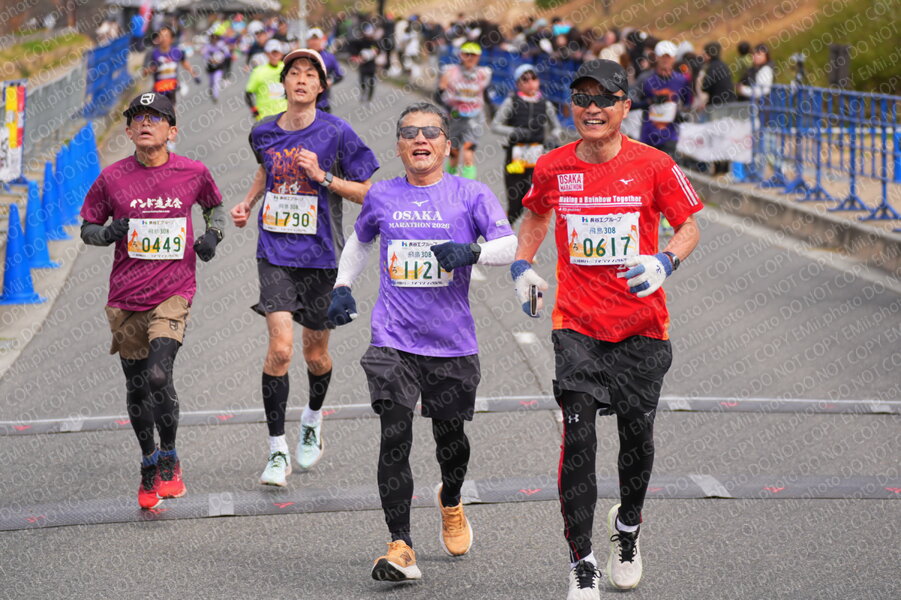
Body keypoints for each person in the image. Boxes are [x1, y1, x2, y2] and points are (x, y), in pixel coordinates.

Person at [509, 60, 702, 598]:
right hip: (577, 326)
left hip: (642, 326)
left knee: (637, 439)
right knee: (579, 440)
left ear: (624, 107)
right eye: (582, 98)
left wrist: (665, 260)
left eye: (604, 99)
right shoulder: (552, 166)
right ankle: (582, 560)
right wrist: (522, 264)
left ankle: (628, 527)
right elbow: (537, 215)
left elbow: (688, 225)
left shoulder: (655, 164)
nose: (591, 108)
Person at [326, 102, 517, 582]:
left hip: (451, 343)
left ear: (446, 145)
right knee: (395, 434)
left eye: (430, 132)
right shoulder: (382, 195)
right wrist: (343, 286)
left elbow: (509, 245)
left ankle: (450, 499)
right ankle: (401, 545)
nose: (420, 139)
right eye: (409, 132)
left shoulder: (470, 194)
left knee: (451, 442)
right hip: (392, 339)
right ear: (399, 146)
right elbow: (361, 241)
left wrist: (472, 251)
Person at [230, 48, 379, 487]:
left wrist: (323, 177)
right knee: (281, 350)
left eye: (309, 74)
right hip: (275, 253)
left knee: (316, 356)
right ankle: (277, 450)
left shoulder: (337, 132)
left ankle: (312, 418)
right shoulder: (262, 131)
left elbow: (367, 192)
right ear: (283, 83)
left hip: (322, 257)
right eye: (293, 73)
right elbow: (266, 170)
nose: (300, 79)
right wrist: (248, 202)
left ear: (321, 86)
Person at [80, 92, 226, 510]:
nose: (146, 123)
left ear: (172, 130)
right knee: (138, 385)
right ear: (128, 131)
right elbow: (88, 228)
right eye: (138, 118)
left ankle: (169, 456)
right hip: (126, 297)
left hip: (173, 293)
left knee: (159, 375)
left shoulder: (193, 172)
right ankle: (147, 461)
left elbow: (214, 207)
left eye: (155, 117)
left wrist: (213, 236)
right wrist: (108, 233)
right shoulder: (112, 178)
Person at [490, 63, 563, 225]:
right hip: (516, 156)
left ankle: (527, 237)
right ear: (518, 83)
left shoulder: (545, 104)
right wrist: (515, 131)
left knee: (533, 201)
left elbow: (557, 128)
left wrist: (553, 138)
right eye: (525, 79)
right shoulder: (511, 102)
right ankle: (504, 232)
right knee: (515, 204)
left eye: (533, 78)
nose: (530, 82)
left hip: (537, 157)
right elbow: (495, 125)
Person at [439, 42, 492, 179]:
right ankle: (451, 181)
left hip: (474, 117)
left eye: (474, 55)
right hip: (454, 116)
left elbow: (485, 94)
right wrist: (449, 108)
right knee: (454, 152)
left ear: (478, 57)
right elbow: (439, 94)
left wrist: (491, 112)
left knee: (468, 151)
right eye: (467, 54)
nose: (470, 58)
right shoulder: (450, 71)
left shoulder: (483, 73)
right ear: (461, 55)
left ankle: (469, 185)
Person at [637, 40, 693, 159]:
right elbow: (630, 103)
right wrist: (650, 102)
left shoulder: (681, 80)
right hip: (648, 134)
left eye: (669, 57)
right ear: (656, 57)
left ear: (674, 58)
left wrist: (680, 114)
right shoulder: (645, 79)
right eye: (662, 57)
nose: (665, 60)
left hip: (670, 135)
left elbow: (688, 103)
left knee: (666, 167)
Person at [143, 26, 200, 105]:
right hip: (159, 90)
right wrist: (154, 68)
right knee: (161, 111)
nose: (164, 39)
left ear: (171, 39)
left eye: (166, 36)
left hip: (172, 88)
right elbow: (144, 72)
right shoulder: (152, 53)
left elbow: (184, 63)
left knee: (172, 110)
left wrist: (194, 74)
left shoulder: (176, 51)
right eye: (161, 36)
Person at [245, 39, 287, 120]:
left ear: (281, 54)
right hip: (265, 117)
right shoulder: (258, 71)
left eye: (277, 53)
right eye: (272, 53)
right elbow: (248, 94)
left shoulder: (286, 68)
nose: (275, 56)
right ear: (267, 54)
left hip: (285, 116)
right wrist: (254, 111)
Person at [348, 23, 380, 105]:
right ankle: (363, 93)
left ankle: (369, 99)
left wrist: (375, 52)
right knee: (362, 81)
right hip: (363, 65)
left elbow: (378, 50)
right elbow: (353, 49)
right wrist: (357, 57)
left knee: (372, 82)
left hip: (371, 65)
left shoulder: (374, 42)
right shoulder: (361, 41)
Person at [202, 32, 230, 103]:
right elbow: (205, 55)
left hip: (219, 67)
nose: (214, 40)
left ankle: (215, 96)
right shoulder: (208, 46)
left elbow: (227, 54)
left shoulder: (221, 45)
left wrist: (221, 59)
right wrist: (210, 59)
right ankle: (211, 89)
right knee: (211, 82)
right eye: (212, 39)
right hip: (210, 68)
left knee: (216, 81)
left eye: (215, 39)